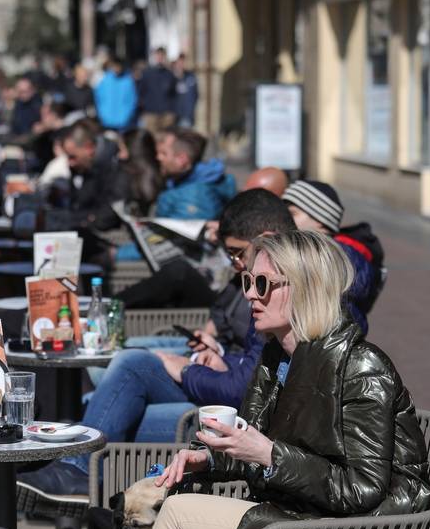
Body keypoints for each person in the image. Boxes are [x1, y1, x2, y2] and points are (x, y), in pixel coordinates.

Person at [134, 230, 430, 529]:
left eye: (263, 283)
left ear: (306, 287)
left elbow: (363, 489)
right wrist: (211, 461)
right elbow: (260, 450)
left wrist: (269, 454)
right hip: (294, 515)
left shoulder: (361, 366)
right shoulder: (276, 357)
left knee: (175, 512)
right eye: (248, 281)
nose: (249, 294)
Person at [16, 190, 296, 503]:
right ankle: (82, 478)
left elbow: (249, 389)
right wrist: (220, 356)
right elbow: (251, 368)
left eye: (238, 255)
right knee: (126, 381)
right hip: (229, 404)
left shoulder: (288, 302)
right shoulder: (268, 296)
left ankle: (79, 473)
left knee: (121, 385)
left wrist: (189, 369)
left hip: (236, 425)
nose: (249, 293)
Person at [281, 180, 376, 332]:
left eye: (292, 213)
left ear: (320, 220)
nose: (285, 220)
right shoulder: (309, 251)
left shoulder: (338, 258)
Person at [155, 128, 236, 220]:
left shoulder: (194, 196)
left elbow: (177, 232)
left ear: (182, 159)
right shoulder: (182, 183)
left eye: (164, 153)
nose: (158, 157)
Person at [139, 48, 177, 134]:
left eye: (162, 56)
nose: (160, 58)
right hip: (151, 114)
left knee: (165, 139)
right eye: (158, 56)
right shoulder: (147, 73)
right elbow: (141, 92)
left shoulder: (170, 74)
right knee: (151, 138)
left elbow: (174, 94)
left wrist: (172, 112)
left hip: (167, 114)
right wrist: (144, 109)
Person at [94, 58, 138, 131]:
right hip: (106, 121)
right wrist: (102, 115)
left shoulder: (128, 81)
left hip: (123, 122)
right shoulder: (104, 80)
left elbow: (132, 101)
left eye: (118, 66)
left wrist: (127, 116)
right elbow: (98, 99)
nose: (116, 68)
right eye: (114, 66)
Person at [172, 55, 198, 128]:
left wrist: (191, 110)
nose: (181, 65)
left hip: (187, 115)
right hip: (174, 115)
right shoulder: (171, 77)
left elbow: (195, 95)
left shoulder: (191, 77)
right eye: (179, 63)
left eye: (183, 63)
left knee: (185, 135)